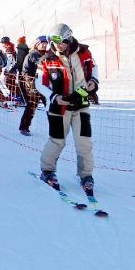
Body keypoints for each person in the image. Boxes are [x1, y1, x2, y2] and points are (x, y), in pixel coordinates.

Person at [35, 23, 99, 193]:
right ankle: (47, 171)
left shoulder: (84, 52)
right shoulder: (46, 60)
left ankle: (86, 175)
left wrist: (94, 81)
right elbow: (39, 84)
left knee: (84, 142)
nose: (58, 44)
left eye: (61, 40)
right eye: (54, 41)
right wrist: (54, 97)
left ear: (69, 38)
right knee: (57, 140)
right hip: (58, 107)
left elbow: (94, 68)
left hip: (81, 104)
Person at [18, 36, 48, 135]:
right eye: (42, 43)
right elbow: (41, 65)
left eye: (46, 43)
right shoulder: (34, 54)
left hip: (42, 83)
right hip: (32, 83)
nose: (44, 45)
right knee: (32, 105)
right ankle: (24, 127)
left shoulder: (44, 54)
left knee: (49, 105)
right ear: (37, 44)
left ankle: (56, 129)